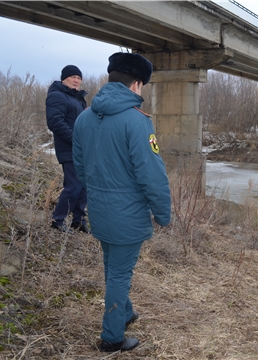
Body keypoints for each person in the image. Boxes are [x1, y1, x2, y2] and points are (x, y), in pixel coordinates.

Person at [72, 52, 171, 353]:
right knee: (119, 273)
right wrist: (163, 213)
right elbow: (152, 175)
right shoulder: (137, 122)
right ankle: (112, 338)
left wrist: (100, 194)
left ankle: (125, 313)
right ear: (137, 84)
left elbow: (80, 167)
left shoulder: (84, 117)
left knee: (112, 266)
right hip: (127, 216)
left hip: (100, 211)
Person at [46, 65, 90, 234]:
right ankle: (57, 220)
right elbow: (55, 122)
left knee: (83, 186)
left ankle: (78, 221)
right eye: (73, 77)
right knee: (73, 185)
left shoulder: (77, 98)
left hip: (81, 149)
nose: (76, 80)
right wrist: (76, 140)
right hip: (69, 148)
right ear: (64, 78)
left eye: (79, 78)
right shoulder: (57, 96)